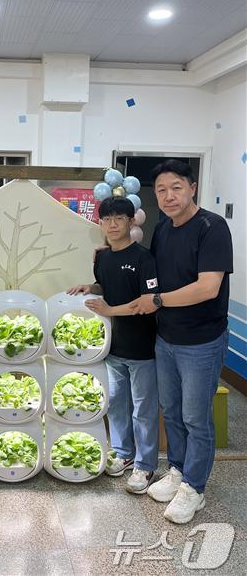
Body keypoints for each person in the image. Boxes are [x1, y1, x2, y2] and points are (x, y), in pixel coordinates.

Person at [130, 159, 233, 524]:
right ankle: (176, 470)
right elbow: (155, 275)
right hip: (167, 338)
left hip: (202, 341)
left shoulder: (212, 227)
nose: (168, 196)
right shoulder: (163, 229)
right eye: (161, 189)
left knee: (195, 417)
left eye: (176, 187)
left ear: (192, 187)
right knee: (170, 412)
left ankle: (195, 488)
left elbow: (208, 287)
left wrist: (157, 301)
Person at [67, 197, 159, 495]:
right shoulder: (103, 257)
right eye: (107, 219)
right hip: (113, 348)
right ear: (100, 223)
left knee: (143, 410)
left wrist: (110, 310)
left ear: (132, 221)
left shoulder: (145, 258)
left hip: (143, 348)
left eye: (120, 218)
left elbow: (148, 304)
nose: (113, 224)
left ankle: (145, 466)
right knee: (118, 405)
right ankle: (123, 453)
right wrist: (90, 287)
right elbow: (108, 285)